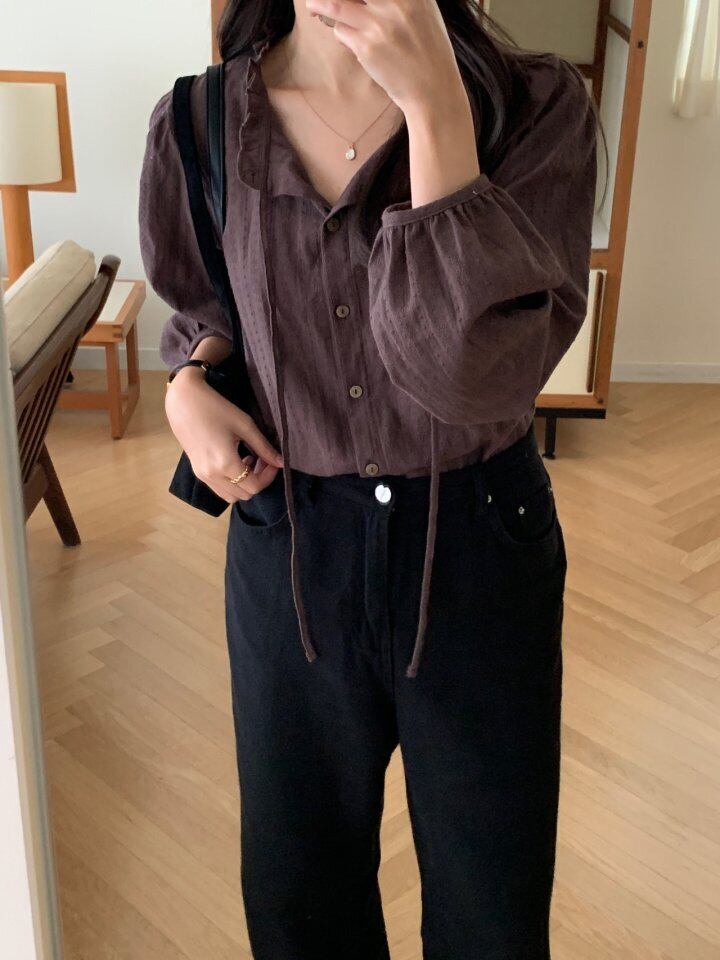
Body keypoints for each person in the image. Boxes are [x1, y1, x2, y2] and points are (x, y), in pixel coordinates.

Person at [139, 1, 599, 956]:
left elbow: (472, 377)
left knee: (492, 899)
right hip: (291, 546)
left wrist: (435, 109)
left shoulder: (535, 108)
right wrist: (188, 384)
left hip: (478, 542)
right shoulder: (200, 119)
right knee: (299, 894)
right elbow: (205, 302)